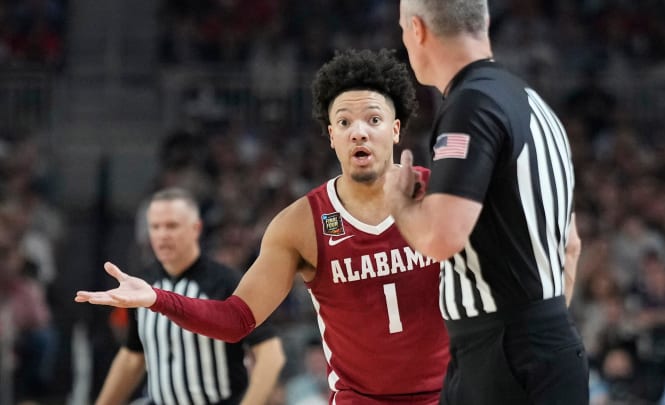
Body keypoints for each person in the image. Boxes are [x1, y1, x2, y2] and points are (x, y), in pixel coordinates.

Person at [76, 49, 450, 404]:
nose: (359, 132)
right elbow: (237, 318)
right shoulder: (300, 224)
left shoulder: (442, 195)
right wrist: (158, 298)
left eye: (373, 119)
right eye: (344, 122)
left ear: (397, 129)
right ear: (332, 136)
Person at [384, 0, 588, 403]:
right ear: (485, 22)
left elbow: (442, 236)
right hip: (545, 345)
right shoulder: (534, 103)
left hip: (501, 355)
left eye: (403, 31)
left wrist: (400, 203)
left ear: (418, 30)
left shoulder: (469, 104)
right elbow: (571, 245)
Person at [93, 188, 285, 405]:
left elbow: (270, 354)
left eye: (172, 226)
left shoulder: (226, 281)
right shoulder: (142, 284)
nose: (162, 234)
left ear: (196, 229)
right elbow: (132, 357)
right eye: (155, 227)